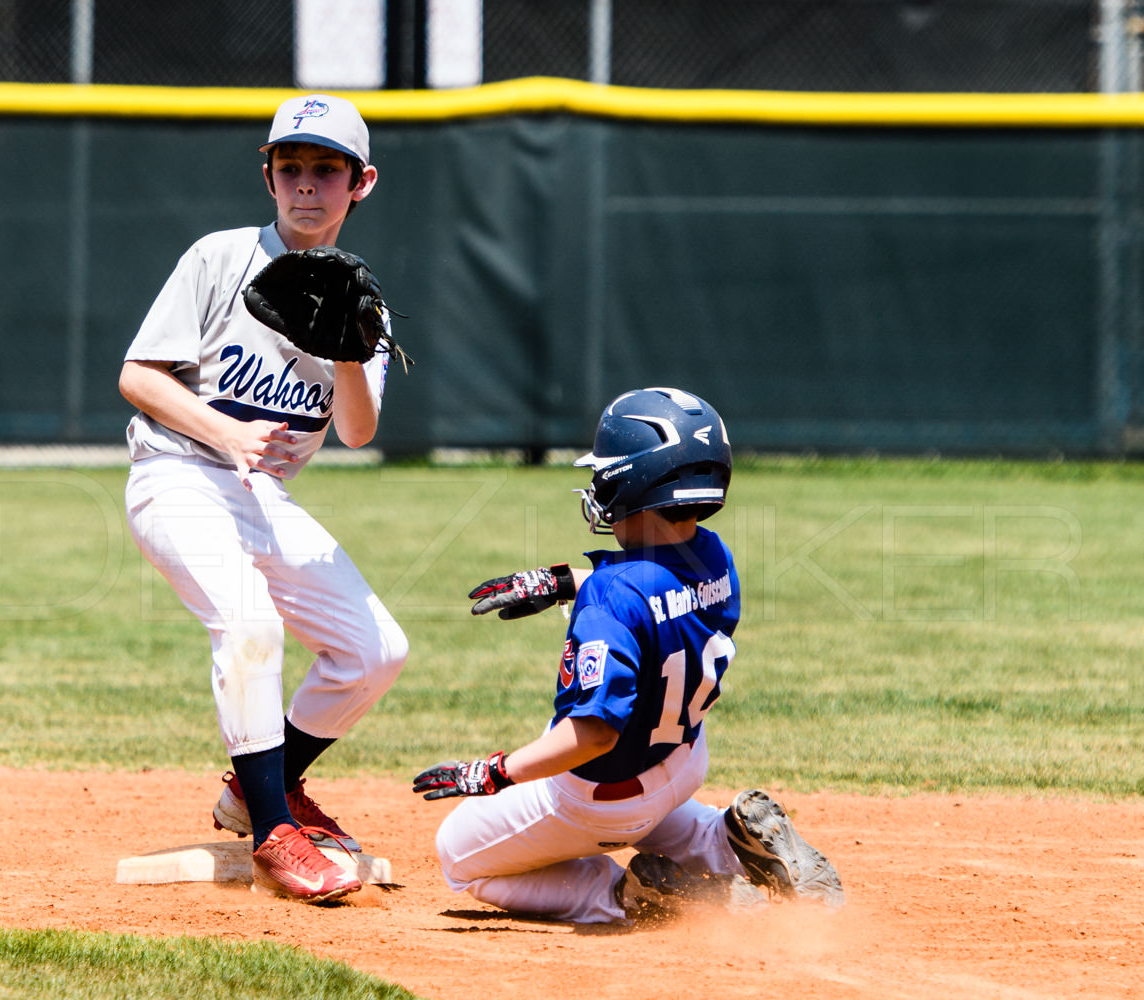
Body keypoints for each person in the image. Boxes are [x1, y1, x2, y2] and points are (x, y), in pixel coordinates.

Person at [119, 93, 407, 904]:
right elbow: (137, 377)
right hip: (175, 474)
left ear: (362, 182)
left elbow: (355, 431)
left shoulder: (364, 301)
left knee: (376, 649)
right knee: (248, 621)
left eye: (327, 170)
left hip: (259, 497)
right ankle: (276, 830)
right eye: (291, 168)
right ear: (269, 177)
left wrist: (351, 349)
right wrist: (224, 432)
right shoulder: (218, 258)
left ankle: (254, 789)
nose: (307, 186)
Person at [412, 387, 844, 924]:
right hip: (682, 763)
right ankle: (727, 842)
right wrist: (559, 581)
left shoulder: (609, 601)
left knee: (458, 856)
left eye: (607, 473)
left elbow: (594, 734)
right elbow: (655, 588)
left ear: (636, 481)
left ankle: (628, 896)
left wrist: (494, 772)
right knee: (651, 808)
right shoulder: (714, 555)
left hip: (604, 798)